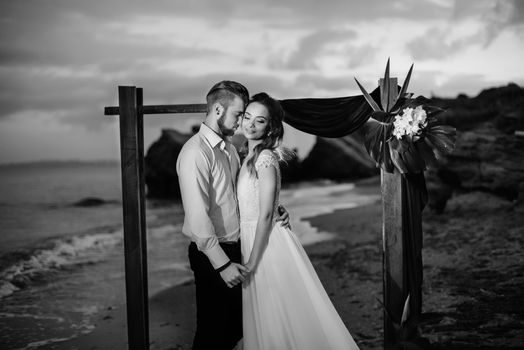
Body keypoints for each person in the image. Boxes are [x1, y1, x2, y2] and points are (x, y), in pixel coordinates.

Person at [237, 92, 361, 350]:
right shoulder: (247, 155)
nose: (250, 124)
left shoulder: (265, 159)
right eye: (247, 117)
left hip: (266, 243)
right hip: (252, 236)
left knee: (280, 312)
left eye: (259, 121)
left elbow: (267, 214)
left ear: (270, 127)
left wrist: (251, 261)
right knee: (267, 314)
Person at [176, 81, 289, 350]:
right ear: (217, 109)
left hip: (237, 248)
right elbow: (198, 218)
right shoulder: (196, 152)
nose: (241, 123)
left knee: (236, 331)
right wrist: (222, 265)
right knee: (211, 336)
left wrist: (275, 209)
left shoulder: (229, 150)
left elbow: (242, 197)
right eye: (239, 114)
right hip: (213, 256)